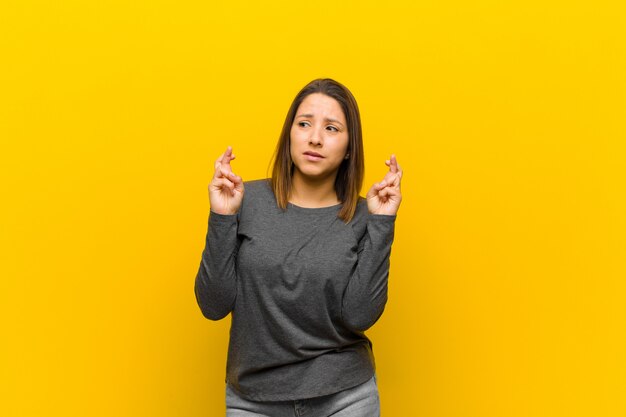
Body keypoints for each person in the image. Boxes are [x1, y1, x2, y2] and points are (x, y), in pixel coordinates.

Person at [194, 78, 403, 416]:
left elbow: (360, 315)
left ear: (350, 147)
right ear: (289, 133)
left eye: (332, 128)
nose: (315, 138)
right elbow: (213, 305)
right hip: (254, 400)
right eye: (304, 124)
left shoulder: (366, 215)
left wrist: (381, 224)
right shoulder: (244, 200)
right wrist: (221, 217)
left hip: (344, 397)